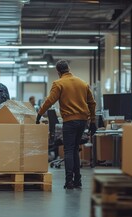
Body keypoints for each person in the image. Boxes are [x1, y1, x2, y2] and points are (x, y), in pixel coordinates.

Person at [36, 60, 97, 189]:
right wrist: (93, 121)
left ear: (58, 72)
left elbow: (49, 101)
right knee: (75, 149)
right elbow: (92, 103)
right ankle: (78, 180)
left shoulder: (59, 83)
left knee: (68, 150)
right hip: (83, 121)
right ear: (69, 68)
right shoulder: (83, 83)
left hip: (70, 121)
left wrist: (39, 114)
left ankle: (69, 181)